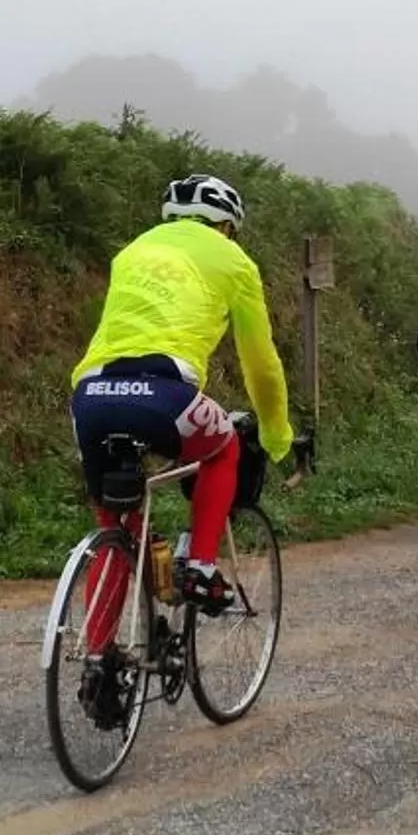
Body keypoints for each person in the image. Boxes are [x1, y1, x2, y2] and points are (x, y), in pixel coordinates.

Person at [69, 174, 301, 628]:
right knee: (224, 447)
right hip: (164, 392)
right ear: (226, 226)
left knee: (115, 525)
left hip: (90, 398)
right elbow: (261, 366)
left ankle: (99, 665)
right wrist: (277, 436)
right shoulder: (235, 262)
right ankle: (200, 566)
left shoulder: (131, 251)